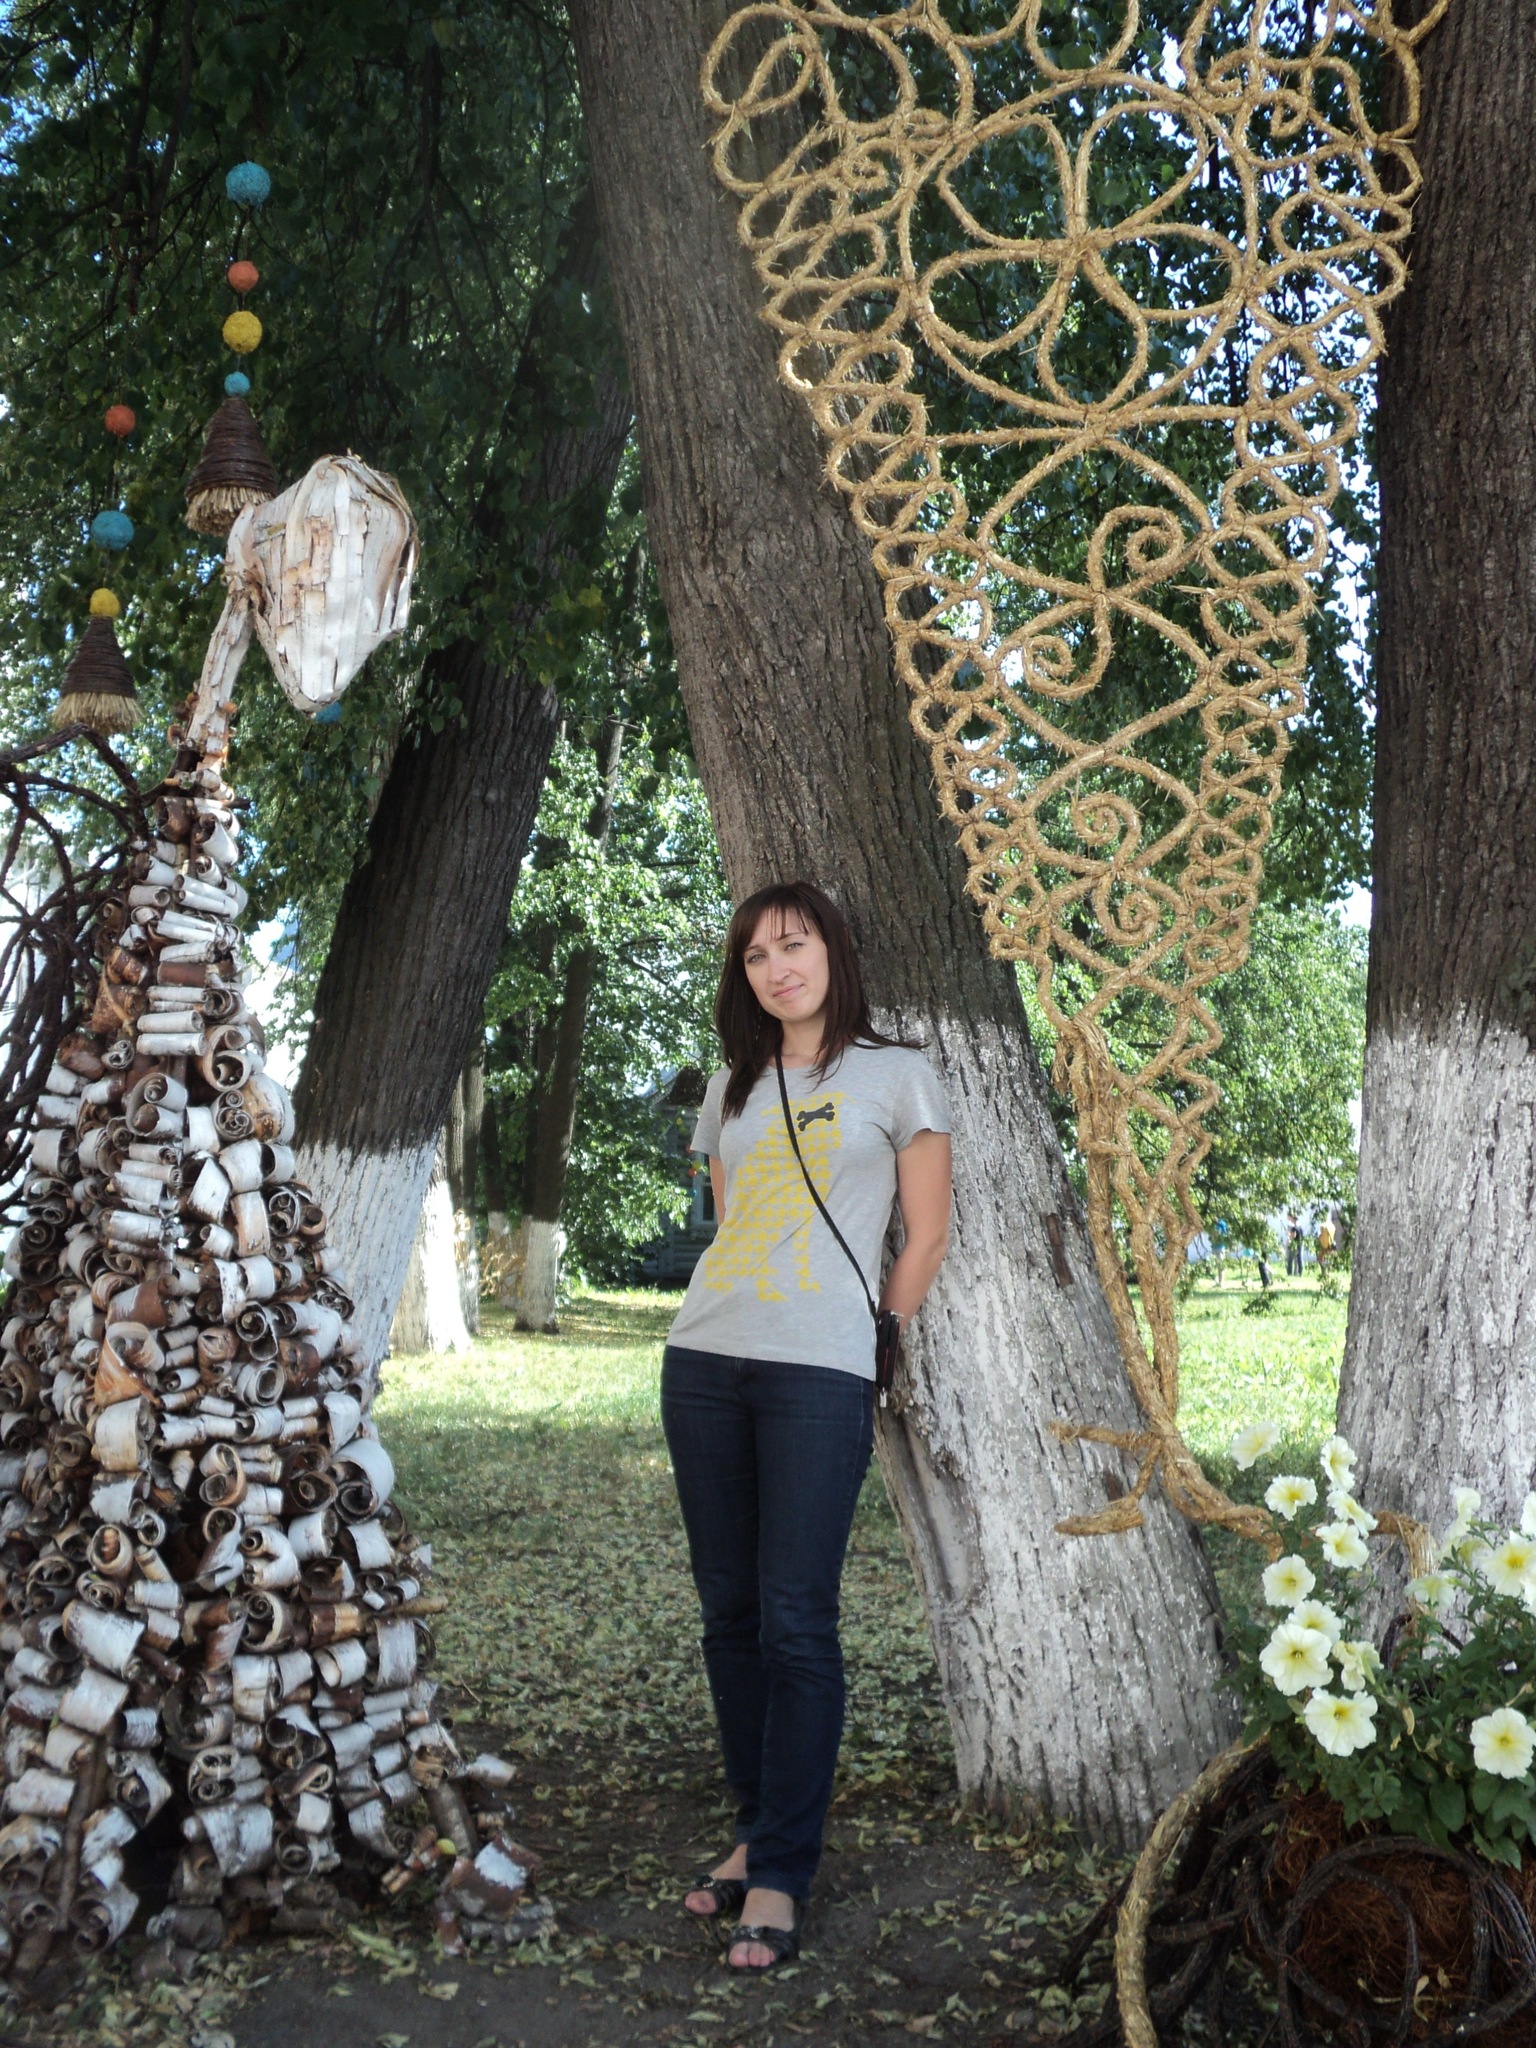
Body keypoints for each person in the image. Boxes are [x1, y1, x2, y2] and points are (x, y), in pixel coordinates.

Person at [662, 881, 952, 1972]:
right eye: (756, 957)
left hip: (820, 1371)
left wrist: (880, 1330)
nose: (777, 969)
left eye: (794, 945)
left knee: (796, 1617)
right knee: (729, 1612)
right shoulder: (732, 1086)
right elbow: (733, 1219)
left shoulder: (898, 1072)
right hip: (704, 1359)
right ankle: (753, 1830)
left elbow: (925, 1233)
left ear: (833, 950)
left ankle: (783, 1870)